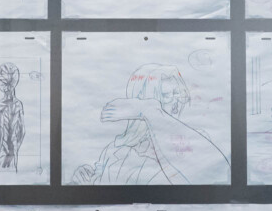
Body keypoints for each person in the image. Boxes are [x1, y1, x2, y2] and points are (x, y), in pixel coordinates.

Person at [71, 64, 230, 185]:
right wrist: (85, 182)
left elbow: (207, 178)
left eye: (178, 94)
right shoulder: (116, 150)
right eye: (166, 95)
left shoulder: (195, 140)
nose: (176, 102)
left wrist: (151, 112)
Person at [0, 63, 25, 173]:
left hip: (0, 156)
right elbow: (22, 132)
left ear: (1, 83)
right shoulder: (18, 104)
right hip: (13, 155)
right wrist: (15, 149)